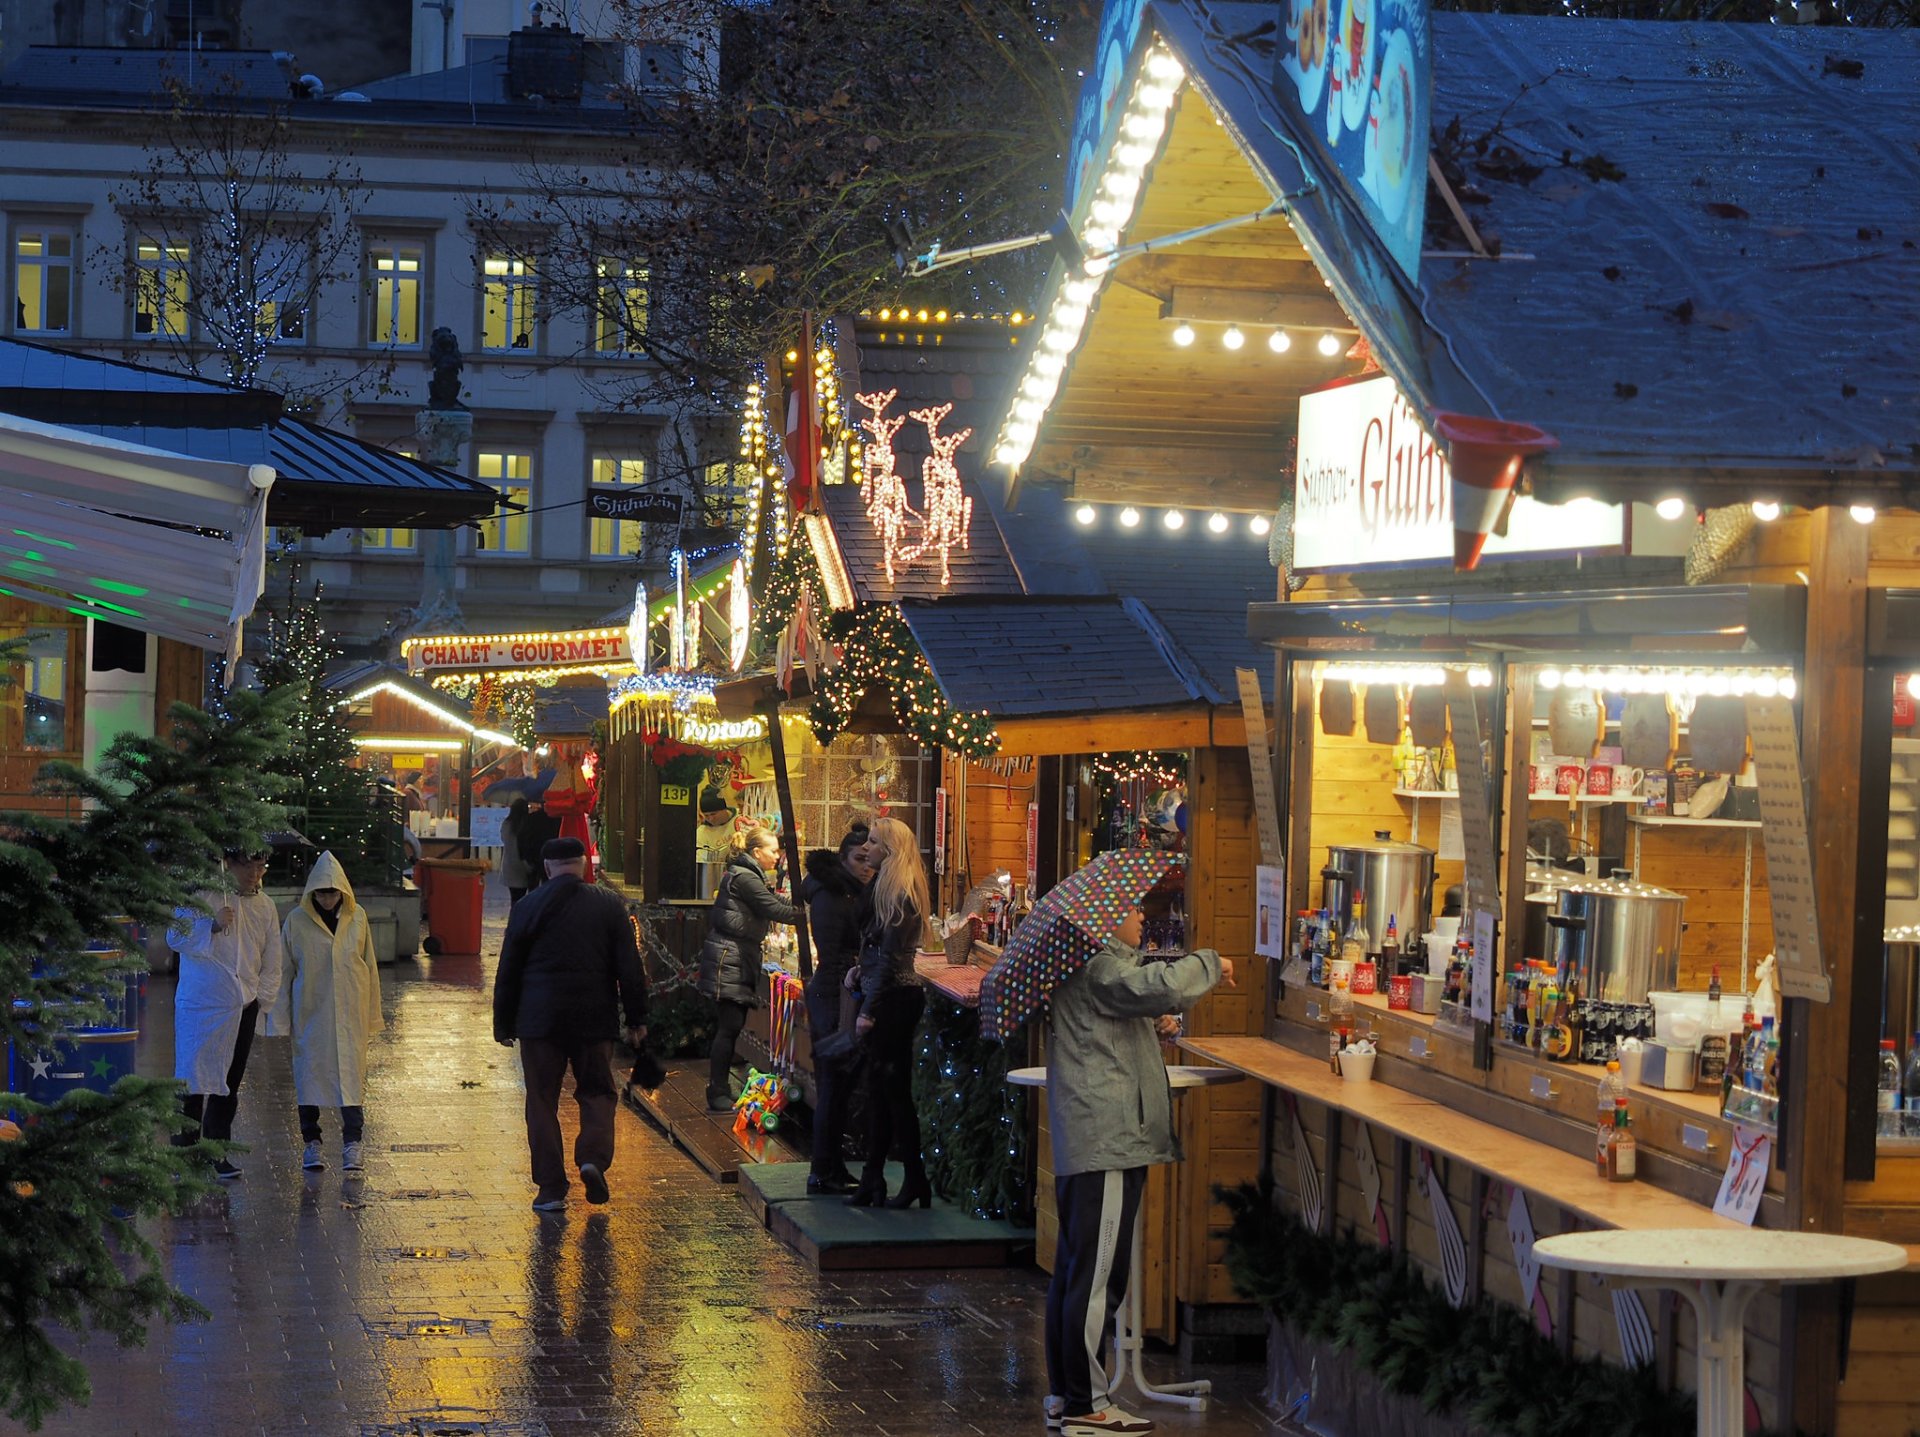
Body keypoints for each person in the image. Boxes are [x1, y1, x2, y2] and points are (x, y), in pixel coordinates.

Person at [1041, 903, 1232, 1436]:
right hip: (1108, 1138)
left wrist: (1150, 1025)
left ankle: (1065, 1397)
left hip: (1096, 1136)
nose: (1141, 914)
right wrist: (1210, 964)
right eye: (1129, 908)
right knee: (1099, 1277)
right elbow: (1157, 985)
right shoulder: (1099, 964)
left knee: (1078, 1272)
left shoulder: (1089, 966)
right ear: (1101, 921)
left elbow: (1126, 1013)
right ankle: (1086, 1406)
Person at [494, 837, 649, 1212]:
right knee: (597, 1092)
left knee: (542, 1100)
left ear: (548, 868)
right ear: (583, 865)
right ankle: (592, 1159)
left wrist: (503, 1023)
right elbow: (630, 967)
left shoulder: (527, 906)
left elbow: (508, 969)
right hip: (593, 1018)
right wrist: (638, 1018)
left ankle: (550, 1189)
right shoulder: (609, 905)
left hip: (538, 1020)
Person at [167, 847, 285, 1179]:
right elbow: (175, 936)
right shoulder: (202, 895)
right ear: (228, 864)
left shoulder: (265, 906)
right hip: (202, 1005)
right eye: (248, 865)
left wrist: (260, 999)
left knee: (229, 1082)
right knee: (191, 1079)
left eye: (262, 865)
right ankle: (184, 1152)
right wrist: (212, 926)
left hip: (242, 1006)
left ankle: (218, 1151)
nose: (256, 873)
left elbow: (272, 958)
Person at [267, 851, 384, 1174]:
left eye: (333, 892)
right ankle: (311, 1142)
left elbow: (369, 967)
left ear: (342, 891)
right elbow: (284, 971)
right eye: (321, 892)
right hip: (312, 1013)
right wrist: (278, 1019)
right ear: (311, 893)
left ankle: (353, 1142)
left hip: (350, 1013)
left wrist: (372, 1015)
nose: (328, 898)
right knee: (309, 1077)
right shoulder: (296, 922)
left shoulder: (357, 918)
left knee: (351, 1078)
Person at [846, 816, 931, 1209]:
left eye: (875, 843)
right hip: (886, 995)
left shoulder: (901, 894)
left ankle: (912, 1179)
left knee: (893, 1096)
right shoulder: (886, 888)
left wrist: (869, 1007)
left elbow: (893, 958)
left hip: (894, 1002)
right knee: (880, 1095)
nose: (866, 849)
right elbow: (879, 952)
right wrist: (860, 972)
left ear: (891, 851)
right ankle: (874, 1178)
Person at [697, 826, 800, 1113]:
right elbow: (774, 909)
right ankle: (717, 1092)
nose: (777, 856)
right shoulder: (745, 877)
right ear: (756, 852)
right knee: (729, 1027)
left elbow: (776, 902)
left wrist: (805, 902)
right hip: (729, 959)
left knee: (730, 1026)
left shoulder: (748, 875)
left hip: (734, 957)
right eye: (773, 850)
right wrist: (808, 912)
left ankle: (719, 1089)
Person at [799, 822, 871, 1194]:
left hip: (837, 993)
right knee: (832, 1084)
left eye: (869, 858)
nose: (865, 865)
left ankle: (831, 1166)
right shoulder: (831, 894)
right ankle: (822, 1170)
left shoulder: (845, 892)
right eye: (859, 858)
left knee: (838, 1086)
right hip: (832, 996)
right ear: (842, 858)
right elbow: (830, 953)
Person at [515, 798, 560, 888]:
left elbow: (522, 837)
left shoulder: (532, 818)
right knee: (549, 885)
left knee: (532, 886)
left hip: (533, 856)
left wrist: (523, 856)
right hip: (551, 856)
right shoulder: (558, 819)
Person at [499, 796, 535, 907]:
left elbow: (503, 839)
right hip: (523, 866)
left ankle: (514, 921)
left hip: (509, 865)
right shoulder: (527, 824)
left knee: (514, 900)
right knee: (525, 900)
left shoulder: (506, 824)